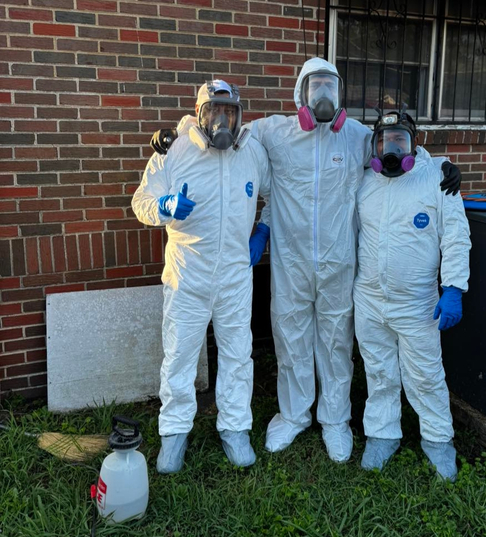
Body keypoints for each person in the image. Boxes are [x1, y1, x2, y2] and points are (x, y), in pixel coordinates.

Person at [149, 58, 462, 463]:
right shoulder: (274, 132)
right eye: (315, 88)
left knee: (335, 343)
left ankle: (335, 421)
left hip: (338, 262)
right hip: (291, 261)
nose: (323, 98)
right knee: (291, 339)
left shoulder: (355, 136)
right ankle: (294, 415)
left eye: (330, 87)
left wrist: (438, 165)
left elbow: (398, 149)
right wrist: (175, 133)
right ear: (299, 93)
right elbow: (218, 128)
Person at [132, 80, 271, 473]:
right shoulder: (174, 149)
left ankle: (235, 428)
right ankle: (174, 434)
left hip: (234, 277)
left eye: (229, 112)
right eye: (214, 112)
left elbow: (277, 193)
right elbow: (141, 202)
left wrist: (263, 229)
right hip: (187, 275)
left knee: (237, 356)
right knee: (179, 357)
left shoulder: (251, 153)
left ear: (239, 115)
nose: (222, 120)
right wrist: (165, 205)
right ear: (199, 114)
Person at [354, 109, 471, 481]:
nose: (391, 149)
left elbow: (455, 237)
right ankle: (382, 435)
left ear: (415, 143)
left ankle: (438, 442)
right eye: (385, 141)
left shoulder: (438, 180)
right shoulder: (364, 181)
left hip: (418, 303)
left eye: (400, 141)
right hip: (369, 299)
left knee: (425, 377)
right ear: (375, 145)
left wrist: (453, 287)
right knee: (379, 373)